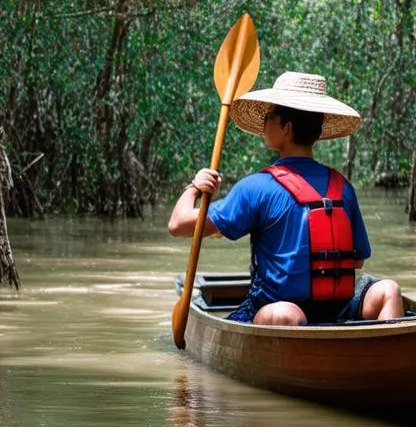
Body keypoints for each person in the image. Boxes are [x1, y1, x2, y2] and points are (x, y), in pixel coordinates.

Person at [168, 71, 403, 325]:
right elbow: (358, 260)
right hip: (335, 314)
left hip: (285, 318)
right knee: (388, 291)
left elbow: (178, 226)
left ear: (286, 128)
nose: (264, 124)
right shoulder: (342, 187)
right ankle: (386, 350)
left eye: (269, 117)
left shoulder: (256, 187)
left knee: (284, 314)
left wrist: (194, 186)